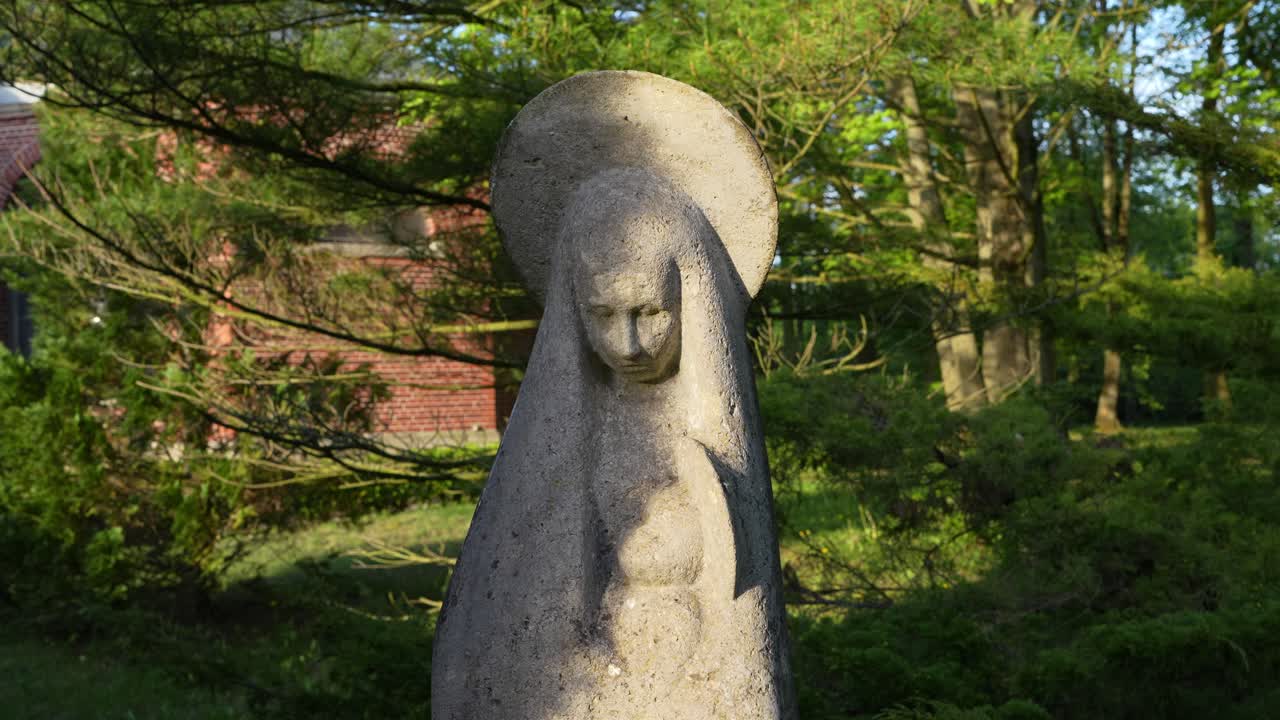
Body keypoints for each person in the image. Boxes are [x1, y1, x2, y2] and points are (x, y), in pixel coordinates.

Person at [433, 71, 795, 720]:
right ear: (574, 307)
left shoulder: (713, 417)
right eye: (604, 314)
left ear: (690, 298)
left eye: (650, 312)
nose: (628, 343)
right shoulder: (556, 443)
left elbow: (743, 636)